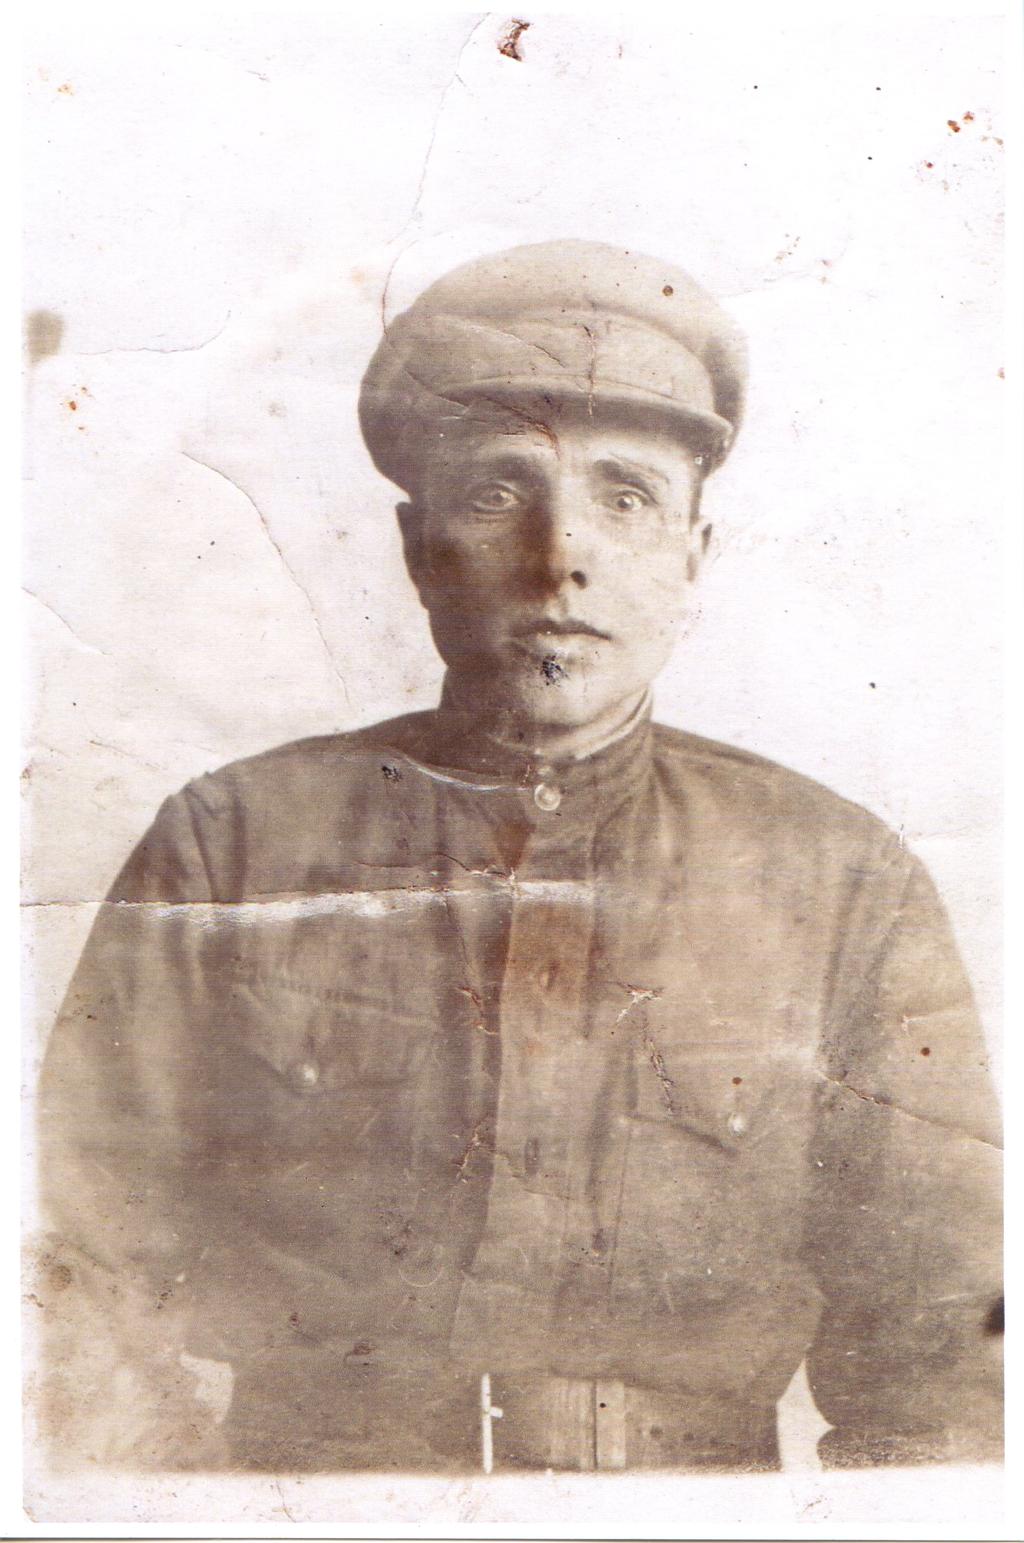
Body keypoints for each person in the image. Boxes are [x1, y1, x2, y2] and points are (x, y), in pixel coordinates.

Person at [37, 240, 1002, 1474]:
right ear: (417, 548)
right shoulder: (231, 846)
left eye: (626, 497)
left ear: (694, 553)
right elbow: (72, 1284)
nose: (560, 558)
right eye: (498, 493)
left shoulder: (841, 881)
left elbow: (946, 1367)